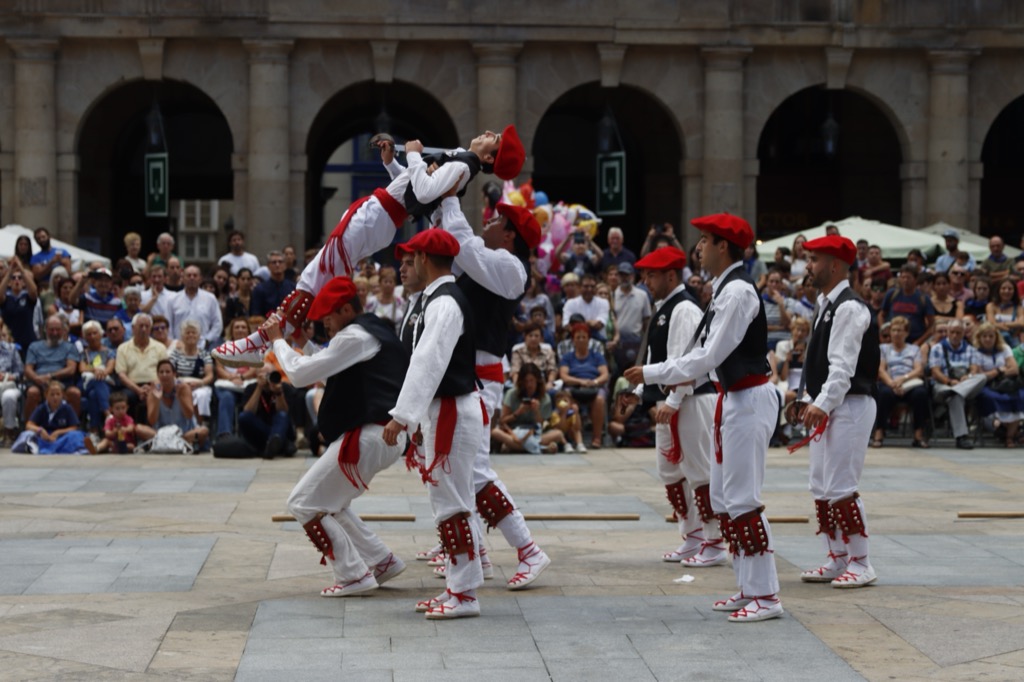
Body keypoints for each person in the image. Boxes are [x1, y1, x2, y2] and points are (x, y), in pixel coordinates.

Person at [213, 127, 525, 368]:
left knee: (314, 277)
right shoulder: (461, 161)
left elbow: (425, 188)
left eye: (493, 139)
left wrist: (414, 155)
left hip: (377, 216)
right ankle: (290, 338)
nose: (488, 134)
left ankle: (262, 343)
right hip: (379, 214)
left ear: (487, 159)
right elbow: (412, 191)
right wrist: (393, 164)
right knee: (316, 275)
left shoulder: (464, 165)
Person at [624, 212, 783, 623]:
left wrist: (653, 373)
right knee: (726, 498)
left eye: (705, 240)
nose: (698, 248)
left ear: (723, 246)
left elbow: (708, 357)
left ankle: (766, 593)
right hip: (734, 398)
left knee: (744, 498)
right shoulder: (724, 289)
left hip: (748, 397)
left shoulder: (737, 292)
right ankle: (749, 587)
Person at [266, 276, 411, 596]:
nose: (323, 323)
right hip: (381, 435)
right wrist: (304, 345)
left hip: (369, 436)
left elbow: (302, 374)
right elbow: (334, 361)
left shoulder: (355, 336)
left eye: (328, 316)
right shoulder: (375, 327)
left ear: (346, 309)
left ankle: (353, 575)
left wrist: (278, 341)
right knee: (332, 502)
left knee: (303, 503)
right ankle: (381, 561)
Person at [436, 196, 552, 592]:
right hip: (470, 375)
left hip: (482, 379)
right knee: (463, 470)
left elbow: (460, 240)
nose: (488, 220)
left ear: (509, 235)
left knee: (477, 471)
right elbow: (454, 238)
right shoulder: (490, 261)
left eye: (497, 219)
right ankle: (479, 552)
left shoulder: (510, 268)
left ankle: (529, 550)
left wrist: (450, 192)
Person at [382, 228, 486, 620]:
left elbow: (428, 361)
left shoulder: (444, 303)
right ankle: (459, 587)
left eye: (413, 257)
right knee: (451, 501)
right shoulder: (437, 299)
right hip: (446, 408)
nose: (408, 264)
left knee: (452, 503)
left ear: (425, 259)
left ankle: (464, 593)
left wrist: (402, 416)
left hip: (452, 409)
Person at [626, 245, 726, 568]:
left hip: (693, 398)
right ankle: (693, 535)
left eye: (651, 274)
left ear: (671, 275)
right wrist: (640, 393)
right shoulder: (664, 308)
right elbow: (659, 362)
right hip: (674, 400)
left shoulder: (684, 309)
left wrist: (672, 399)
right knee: (669, 471)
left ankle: (714, 541)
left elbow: (687, 361)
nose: (645, 280)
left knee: (700, 473)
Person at [793, 235, 880, 589]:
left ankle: (861, 561)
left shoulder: (849, 306)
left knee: (842, 485)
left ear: (835, 265)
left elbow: (842, 368)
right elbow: (819, 361)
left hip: (851, 403)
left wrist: (821, 403)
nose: (808, 266)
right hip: (831, 404)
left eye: (814, 259)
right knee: (821, 484)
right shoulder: (825, 302)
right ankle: (837, 556)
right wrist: (808, 397)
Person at [873, 316, 929, 448]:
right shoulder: (883, 348)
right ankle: (879, 433)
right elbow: (881, 369)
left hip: (909, 382)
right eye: (893, 330)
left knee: (921, 394)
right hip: (889, 382)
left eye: (900, 330)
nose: (896, 333)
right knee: (884, 394)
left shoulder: (914, 349)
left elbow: (919, 370)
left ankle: (918, 435)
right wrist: (892, 383)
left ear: (907, 333)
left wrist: (903, 379)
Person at [928, 319, 985, 449]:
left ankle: (956, 392)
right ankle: (962, 437)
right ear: (948, 332)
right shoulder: (938, 348)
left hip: (964, 385)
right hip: (943, 386)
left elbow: (975, 368)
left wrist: (968, 376)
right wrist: (949, 381)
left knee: (981, 377)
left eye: (958, 333)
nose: (955, 336)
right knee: (956, 397)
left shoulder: (970, 349)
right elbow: (935, 371)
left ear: (963, 333)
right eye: (952, 332)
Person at [492, 363, 565, 454]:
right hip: (514, 432)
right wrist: (518, 412)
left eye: (532, 381)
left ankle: (514, 447)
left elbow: (542, 424)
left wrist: (537, 411)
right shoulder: (511, 394)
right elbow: (502, 421)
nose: (529, 385)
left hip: (534, 433)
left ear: (537, 381)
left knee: (558, 434)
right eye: (526, 381)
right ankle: (540, 448)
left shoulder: (545, 398)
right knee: (495, 432)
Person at [559, 323, 609, 450]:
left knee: (599, 400)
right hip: (574, 387)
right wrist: (580, 382)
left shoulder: (596, 356)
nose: (581, 340)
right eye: (578, 337)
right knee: (567, 402)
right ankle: (574, 437)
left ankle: (597, 437)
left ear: (588, 339)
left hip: (594, 387)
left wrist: (595, 382)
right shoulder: (567, 357)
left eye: (584, 337)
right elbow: (564, 376)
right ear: (573, 340)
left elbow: (604, 374)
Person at [971, 322, 1021, 447]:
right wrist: (999, 370)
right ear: (979, 337)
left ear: (996, 337)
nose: (988, 339)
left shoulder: (1004, 348)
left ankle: (1009, 437)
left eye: (991, 336)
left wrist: (991, 374)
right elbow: (977, 374)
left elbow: (1014, 369)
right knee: (991, 398)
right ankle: (1000, 428)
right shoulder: (975, 352)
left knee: (1020, 397)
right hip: (986, 386)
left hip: (1005, 384)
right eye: (985, 336)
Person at [141, 359, 208, 450]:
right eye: (161, 372)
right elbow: (152, 421)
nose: (164, 375)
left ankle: (173, 442)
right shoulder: (154, 390)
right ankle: (175, 444)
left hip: (184, 433)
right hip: (160, 433)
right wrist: (157, 399)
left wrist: (179, 397)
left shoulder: (183, 388)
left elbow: (189, 415)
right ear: (157, 375)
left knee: (203, 431)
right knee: (138, 429)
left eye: (168, 372)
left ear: (174, 374)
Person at [24, 315, 81, 420]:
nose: (55, 333)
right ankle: (29, 426)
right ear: (45, 330)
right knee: (32, 393)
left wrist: (50, 376)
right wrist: (37, 378)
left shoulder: (70, 347)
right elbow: (28, 369)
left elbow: (71, 369)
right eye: (51, 330)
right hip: (39, 383)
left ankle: (74, 426)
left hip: (63, 383)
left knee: (75, 393)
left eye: (58, 330)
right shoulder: (34, 346)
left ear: (63, 330)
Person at [115, 313, 168, 422]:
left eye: (147, 326)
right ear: (133, 328)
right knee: (126, 397)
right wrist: (138, 390)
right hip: (132, 386)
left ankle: (157, 429)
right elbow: (121, 375)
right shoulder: (123, 348)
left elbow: (164, 371)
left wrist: (153, 387)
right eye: (141, 326)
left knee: (159, 394)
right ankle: (131, 431)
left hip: (155, 384)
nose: (144, 329)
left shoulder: (160, 347)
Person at [213, 318, 261, 438]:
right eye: (237, 327)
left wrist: (241, 377)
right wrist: (231, 377)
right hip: (227, 385)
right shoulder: (223, 347)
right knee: (227, 398)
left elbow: (255, 368)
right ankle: (225, 434)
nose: (240, 330)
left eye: (243, 327)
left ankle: (252, 436)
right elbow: (219, 368)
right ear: (232, 331)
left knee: (255, 397)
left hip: (247, 384)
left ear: (248, 330)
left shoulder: (255, 348)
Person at [17, 381, 90, 454]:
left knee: (76, 435)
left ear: (63, 395)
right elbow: (29, 425)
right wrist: (40, 430)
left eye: (58, 394)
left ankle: (76, 449)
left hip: (61, 437)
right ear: (46, 395)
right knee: (27, 434)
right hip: (44, 438)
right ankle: (34, 447)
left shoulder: (67, 408)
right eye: (52, 395)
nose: (55, 397)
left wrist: (58, 432)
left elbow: (74, 427)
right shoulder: (41, 408)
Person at [168, 320, 214, 428]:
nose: (191, 335)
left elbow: (210, 375)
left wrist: (200, 383)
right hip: (179, 384)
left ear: (198, 336)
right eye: (187, 333)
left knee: (201, 395)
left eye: (193, 333)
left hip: (199, 384)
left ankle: (199, 425)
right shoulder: (175, 353)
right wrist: (181, 384)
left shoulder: (204, 354)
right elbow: (170, 372)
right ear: (182, 336)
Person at [167, 265, 222, 348]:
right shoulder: (173, 299)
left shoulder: (210, 299)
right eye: (188, 275)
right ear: (183, 278)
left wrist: (207, 340)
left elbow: (217, 324)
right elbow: (168, 324)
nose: (192, 278)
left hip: (203, 346)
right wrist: (173, 342)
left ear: (200, 279)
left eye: (195, 275)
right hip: (178, 346)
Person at [879, 264, 935, 346]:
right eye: (903, 277)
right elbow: (881, 315)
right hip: (892, 341)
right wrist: (884, 330)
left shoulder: (923, 299)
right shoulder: (892, 294)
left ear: (915, 279)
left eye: (908, 277)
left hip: (914, 341)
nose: (905, 280)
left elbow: (932, 325)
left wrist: (919, 342)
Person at [78, 320, 117, 435]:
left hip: (105, 383)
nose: (92, 336)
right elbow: (82, 369)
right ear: (85, 337)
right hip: (86, 383)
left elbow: (110, 368)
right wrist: (95, 370)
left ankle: (94, 429)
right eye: (89, 334)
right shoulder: (83, 353)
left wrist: (102, 372)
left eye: (95, 333)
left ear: (101, 334)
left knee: (93, 394)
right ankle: (108, 414)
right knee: (96, 381)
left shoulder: (110, 352)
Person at [612, 261, 651, 371]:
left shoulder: (642, 295)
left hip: (635, 340)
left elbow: (646, 320)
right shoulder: (612, 294)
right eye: (621, 275)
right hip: (617, 341)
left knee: (634, 371)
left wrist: (646, 342)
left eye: (626, 275)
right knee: (617, 372)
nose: (624, 278)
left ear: (632, 276)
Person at [0, 256, 39, 358]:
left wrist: (21, 269)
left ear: (23, 282)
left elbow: (34, 291)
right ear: (9, 282)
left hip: (28, 342)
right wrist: (9, 272)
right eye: (13, 278)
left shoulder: (27, 297)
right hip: (10, 342)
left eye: (19, 278)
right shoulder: (6, 299)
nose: (16, 280)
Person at [509, 322, 557, 391]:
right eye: (530, 335)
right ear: (525, 337)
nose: (533, 339)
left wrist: (550, 383)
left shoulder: (548, 352)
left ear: (541, 338)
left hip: (543, 385)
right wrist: (517, 385)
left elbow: (552, 370)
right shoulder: (518, 352)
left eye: (536, 336)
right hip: (523, 385)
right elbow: (515, 371)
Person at [562, 273, 610, 341]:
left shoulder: (604, 303)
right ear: (579, 287)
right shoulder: (570, 303)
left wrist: (578, 324)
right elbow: (566, 325)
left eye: (592, 286)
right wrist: (590, 323)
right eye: (586, 286)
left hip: (597, 341)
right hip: (576, 341)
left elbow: (599, 325)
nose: (589, 289)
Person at [251, 250, 296, 318]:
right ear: (268, 266)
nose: (277, 265)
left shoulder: (293, 287)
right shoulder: (259, 289)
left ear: (285, 265)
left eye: (280, 262)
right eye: (274, 262)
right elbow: (256, 314)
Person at [0, 325, 24, 446]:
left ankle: (8, 434)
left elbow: (20, 372)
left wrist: (8, 376)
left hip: (8, 385)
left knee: (8, 397)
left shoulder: (11, 349)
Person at [365, 265, 406, 335]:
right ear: (380, 283)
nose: (388, 285)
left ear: (395, 284)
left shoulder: (400, 302)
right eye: (385, 282)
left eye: (391, 282)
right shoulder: (371, 301)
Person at [986, 279, 1024, 348]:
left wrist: (1003, 325)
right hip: (995, 339)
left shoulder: (1019, 307)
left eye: (1010, 289)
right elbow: (991, 323)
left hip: (1013, 340)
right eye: (1003, 288)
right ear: (999, 290)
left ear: (1014, 291)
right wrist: (1013, 324)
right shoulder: (991, 306)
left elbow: (1021, 323)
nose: (1006, 291)